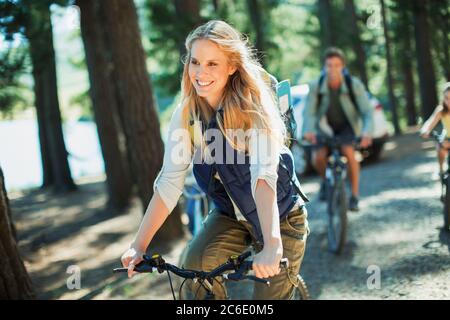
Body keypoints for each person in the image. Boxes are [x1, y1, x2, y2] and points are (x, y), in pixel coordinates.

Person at [120, 20, 309, 300]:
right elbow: (170, 183)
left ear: (232, 66)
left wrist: (272, 245)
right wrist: (139, 245)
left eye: (212, 64)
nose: (200, 72)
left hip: (280, 217)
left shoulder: (256, 108)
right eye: (195, 62)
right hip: (230, 215)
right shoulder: (186, 114)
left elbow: (263, 178)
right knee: (193, 267)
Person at [302, 47, 374, 211]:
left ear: (343, 67)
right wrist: (309, 130)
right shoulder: (316, 85)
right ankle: (326, 181)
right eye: (329, 65)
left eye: (336, 65)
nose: (333, 69)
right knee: (318, 157)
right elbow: (310, 112)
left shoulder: (353, 85)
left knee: (349, 152)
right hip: (324, 126)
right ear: (324, 67)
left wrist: (367, 132)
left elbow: (367, 112)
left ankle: (354, 196)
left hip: (346, 125)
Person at [420, 82, 450, 178]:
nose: (449, 102)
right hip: (448, 138)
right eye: (447, 98)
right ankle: (441, 170)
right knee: (440, 145)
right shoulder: (441, 110)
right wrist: (425, 130)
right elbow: (430, 122)